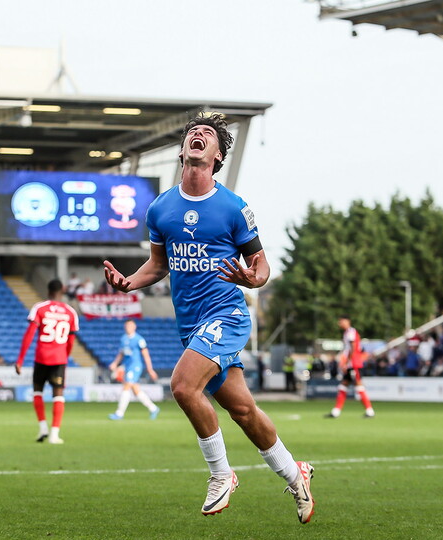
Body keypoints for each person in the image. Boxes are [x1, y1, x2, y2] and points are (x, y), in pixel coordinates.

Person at [102, 113, 314, 523]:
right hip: (191, 324)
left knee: (182, 386)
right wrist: (128, 283)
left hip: (227, 314)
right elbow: (157, 265)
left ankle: (221, 474)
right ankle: (295, 473)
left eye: (208, 135)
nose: (198, 136)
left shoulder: (234, 208)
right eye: (193, 133)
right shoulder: (161, 208)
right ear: (184, 150)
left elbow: (260, 263)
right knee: (245, 412)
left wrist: (255, 278)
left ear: (217, 156)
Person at [15, 279, 79, 445]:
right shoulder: (70, 312)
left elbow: (29, 334)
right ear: (62, 290)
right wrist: (64, 356)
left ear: (48, 290)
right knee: (58, 395)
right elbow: (71, 341)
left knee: (37, 392)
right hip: (59, 360)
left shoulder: (40, 308)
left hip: (41, 357)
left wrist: (20, 359)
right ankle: (54, 434)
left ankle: (42, 427)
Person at [107, 319, 160, 420]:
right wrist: (115, 363)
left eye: (130, 326)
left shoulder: (139, 339)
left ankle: (119, 413)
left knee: (126, 386)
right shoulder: (123, 339)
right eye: (127, 326)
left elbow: (146, 354)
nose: (128, 328)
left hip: (135, 366)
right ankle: (153, 408)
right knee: (136, 390)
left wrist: (150, 369)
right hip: (127, 366)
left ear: (134, 327)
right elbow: (121, 353)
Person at [326, 316, 375, 418]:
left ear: (347, 321)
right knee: (343, 386)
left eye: (341, 321)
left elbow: (353, 347)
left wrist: (347, 362)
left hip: (353, 364)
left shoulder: (351, 332)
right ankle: (336, 411)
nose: (339, 324)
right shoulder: (347, 333)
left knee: (358, 386)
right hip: (351, 364)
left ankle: (370, 411)